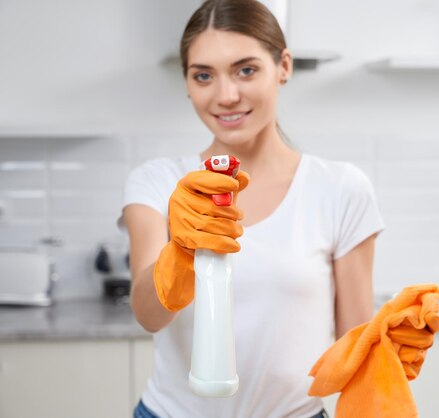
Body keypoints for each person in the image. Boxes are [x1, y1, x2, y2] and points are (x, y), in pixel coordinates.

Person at [121, 1, 384, 417]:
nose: (226, 96)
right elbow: (147, 315)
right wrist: (182, 252)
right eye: (203, 75)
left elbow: (353, 343)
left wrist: (387, 352)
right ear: (188, 83)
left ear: (283, 66)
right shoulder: (158, 183)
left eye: (246, 70)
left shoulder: (340, 189)